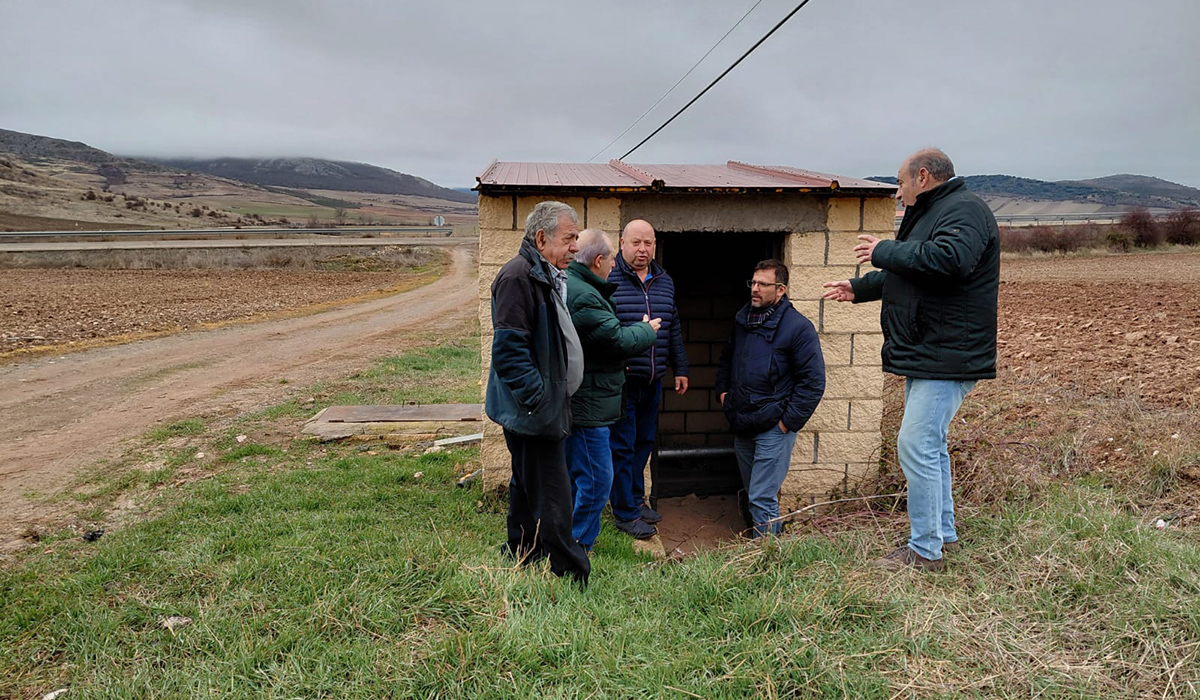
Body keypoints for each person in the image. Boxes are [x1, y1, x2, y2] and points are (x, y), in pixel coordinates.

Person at [823, 148, 1000, 572]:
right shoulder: (935, 213)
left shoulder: (965, 211)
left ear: (923, 176)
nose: (898, 193)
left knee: (915, 445)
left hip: (947, 352)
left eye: (900, 183)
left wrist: (883, 250)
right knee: (930, 447)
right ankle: (944, 535)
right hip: (929, 350)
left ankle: (924, 551)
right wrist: (860, 287)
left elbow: (949, 261)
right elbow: (914, 269)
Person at [484, 200, 590, 585]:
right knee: (554, 493)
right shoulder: (518, 278)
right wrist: (540, 401)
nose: (575, 247)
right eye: (569, 238)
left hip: (537, 408)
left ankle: (521, 550)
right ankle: (571, 573)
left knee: (526, 485)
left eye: (576, 238)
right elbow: (510, 353)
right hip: (533, 411)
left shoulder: (542, 272)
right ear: (542, 238)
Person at [565, 229, 660, 551]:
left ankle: (571, 541)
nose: (615, 266)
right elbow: (614, 340)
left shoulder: (584, 286)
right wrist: (646, 331)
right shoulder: (585, 294)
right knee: (596, 479)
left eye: (649, 242)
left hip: (615, 391)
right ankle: (577, 550)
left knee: (586, 474)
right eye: (614, 258)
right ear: (600, 260)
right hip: (592, 401)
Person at [716, 259, 825, 538]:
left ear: (780, 290)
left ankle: (767, 559)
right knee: (755, 494)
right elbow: (727, 360)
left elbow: (813, 383)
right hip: (742, 422)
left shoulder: (798, 327)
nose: (755, 289)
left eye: (763, 284)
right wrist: (724, 395)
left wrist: (786, 424)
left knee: (762, 498)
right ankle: (764, 544)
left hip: (773, 428)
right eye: (753, 282)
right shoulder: (744, 319)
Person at [607, 219, 689, 539]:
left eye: (649, 243)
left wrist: (679, 367)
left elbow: (673, 327)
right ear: (622, 243)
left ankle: (636, 501)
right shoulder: (609, 278)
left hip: (653, 380)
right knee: (622, 446)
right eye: (636, 243)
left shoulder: (664, 280)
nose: (643, 250)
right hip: (623, 380)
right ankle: (624, 513)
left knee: (643, 444)